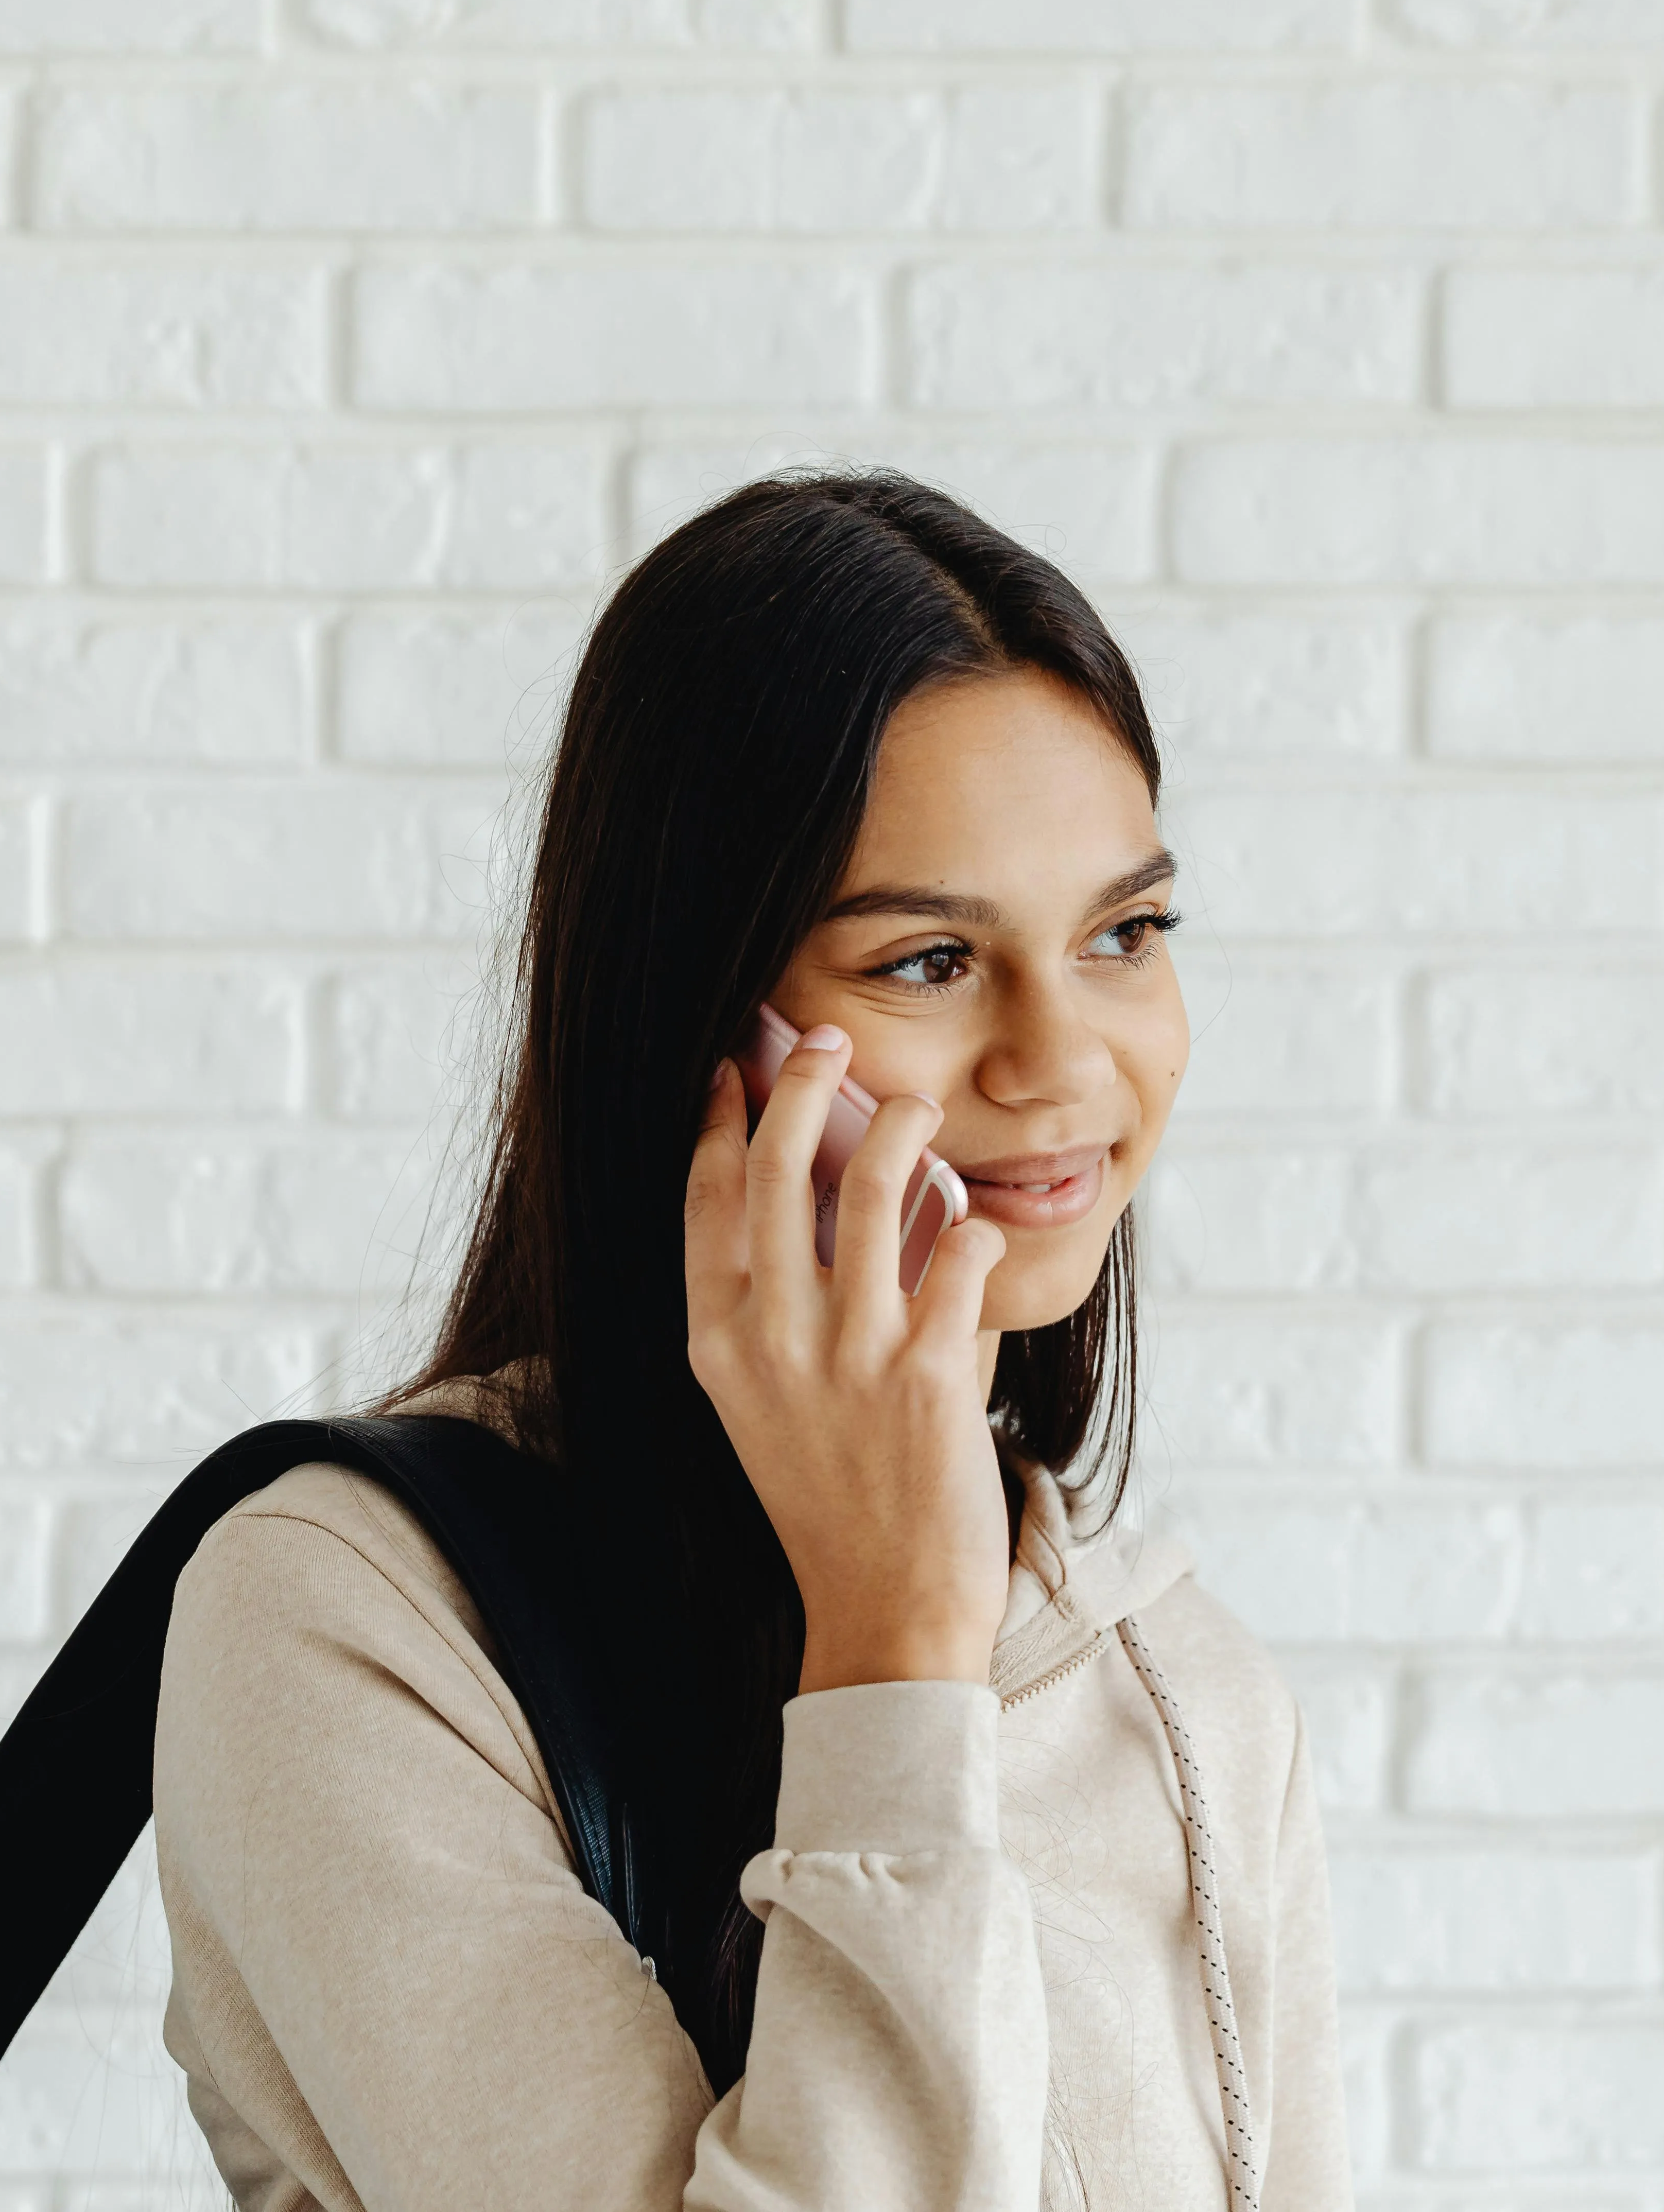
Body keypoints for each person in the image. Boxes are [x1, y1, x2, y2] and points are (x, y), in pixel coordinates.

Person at [148, 471, 1349, 2211]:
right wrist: (889, 1656)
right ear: (693, 1022)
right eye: (929, 961)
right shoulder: (348, 1619)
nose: (1061, 1060)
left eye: (1124, 935)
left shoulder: (1191, 1699)